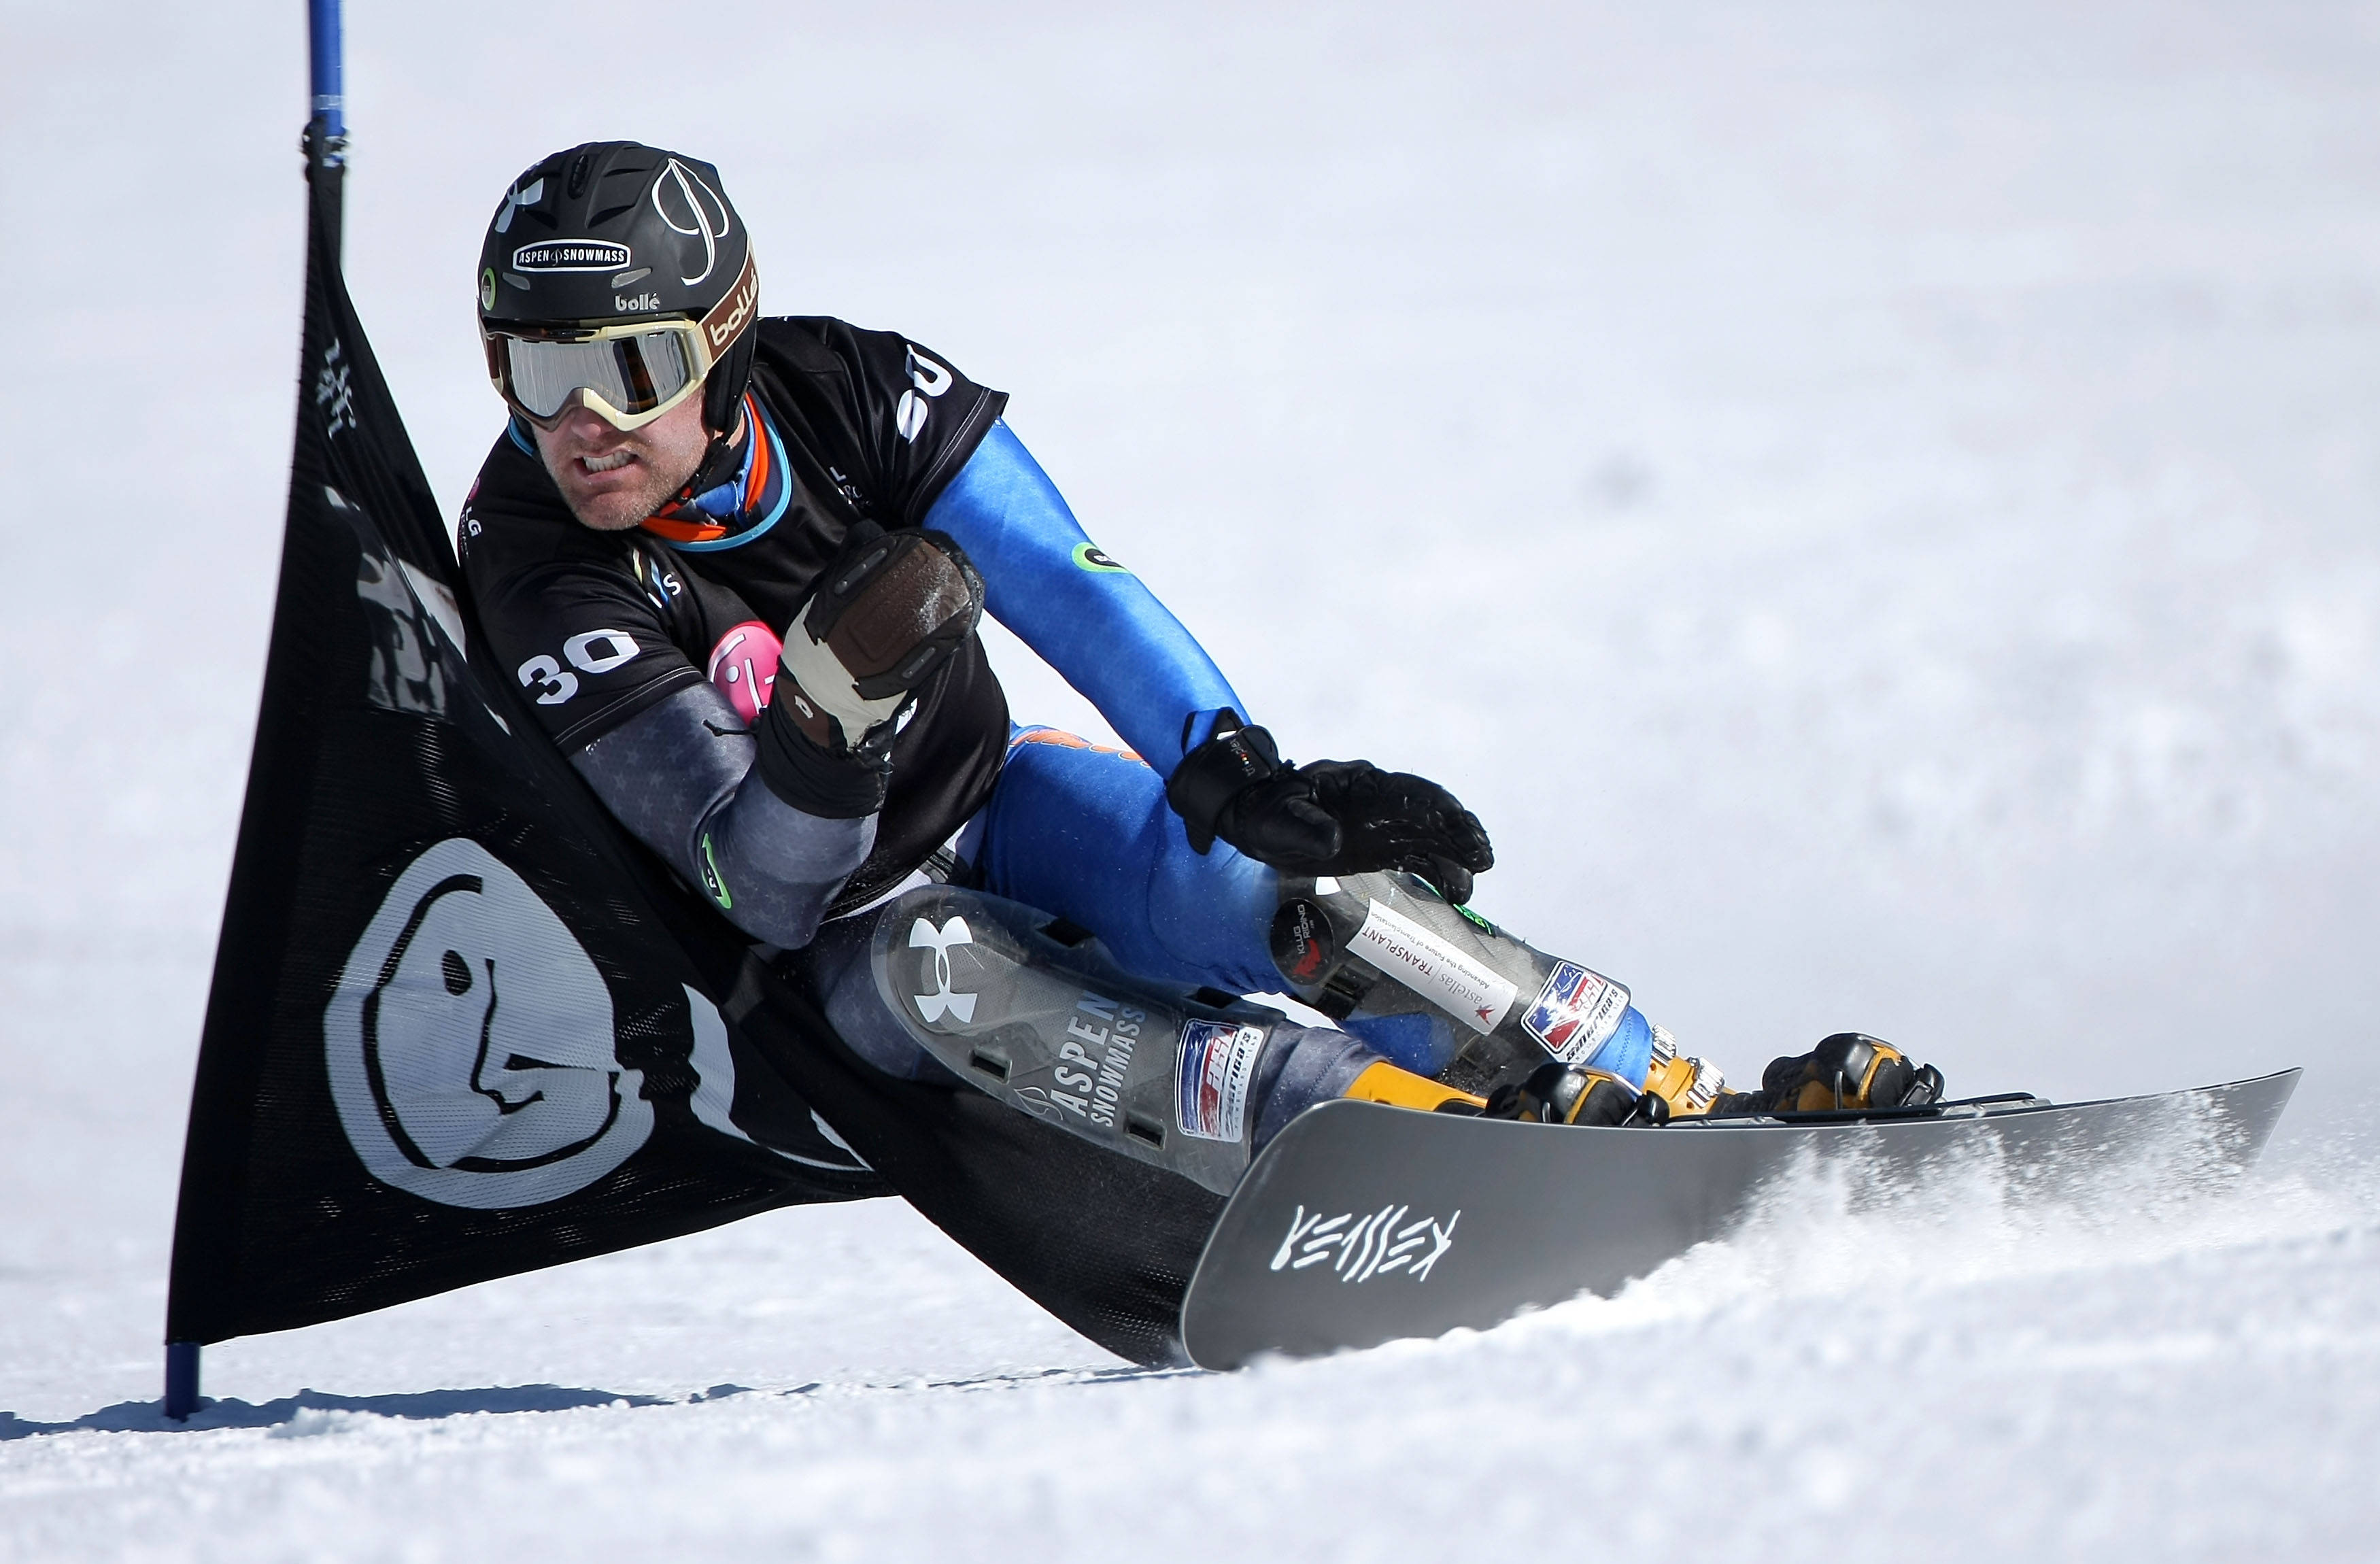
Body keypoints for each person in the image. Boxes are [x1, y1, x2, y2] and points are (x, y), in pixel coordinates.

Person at [457, 141, 1943, 1191]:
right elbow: (763, 887)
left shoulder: (844, 385)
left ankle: (1666, 1087)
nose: (581, 424)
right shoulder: (534, 560)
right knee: (952, 981)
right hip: (824, 960)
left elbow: (1065, 578)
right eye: (535, 371)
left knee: (1287, 891)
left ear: (722, 344)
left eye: (630, 369)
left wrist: (1231, 770)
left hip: (992, 800)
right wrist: (828, 725)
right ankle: (1428, 1149)